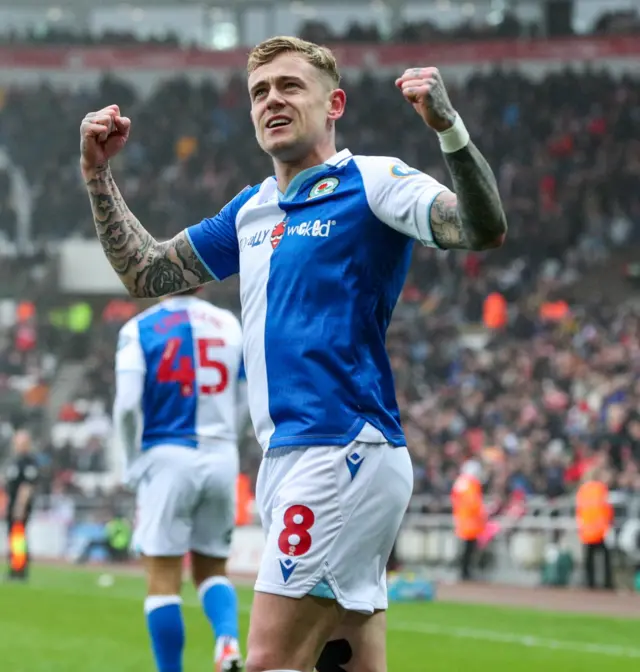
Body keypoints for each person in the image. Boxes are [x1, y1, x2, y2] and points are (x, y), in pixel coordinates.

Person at [80, 36, 507, 672]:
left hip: (341, 450)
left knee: (270, 661)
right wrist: (96, 175)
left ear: (334, 103)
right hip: (296, 456)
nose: (271, 100)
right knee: (347, 659)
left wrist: (448, 130)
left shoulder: (374, 180)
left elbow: (481, 227)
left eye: (288, 86)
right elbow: (145, 273)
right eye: (259, 92)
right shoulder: (251, 209)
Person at [112, 289, 248, 672]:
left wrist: (131, 459)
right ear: (201, 282)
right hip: (222, 455)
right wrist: (226, 439)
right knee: (212, 569)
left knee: (162, 578)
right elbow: (245, 396)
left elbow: (126, 406)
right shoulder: (228, 324)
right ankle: (227, 641)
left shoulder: (139, 329)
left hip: (167, 455)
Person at [4, 428, 39, 581]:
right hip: (11, 504)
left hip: (19, 506)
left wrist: (20, 506)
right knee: (14, 537)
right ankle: (15, 566)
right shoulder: (14, 460)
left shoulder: (28, 462)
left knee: (18, 537)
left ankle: (19, 568)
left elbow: (26, 487)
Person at [576, 474, 614, 590]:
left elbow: (579, 510)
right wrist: (609, 524)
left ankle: (590, 584)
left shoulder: (582, 490)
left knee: (589, 560)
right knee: (605, 559)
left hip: (587, 531)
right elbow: (607, 508)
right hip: (601, 530)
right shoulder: (601, 489)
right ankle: (607, 584)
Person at [451, 460, 486, 581]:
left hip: (462, 519)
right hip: (470, 521)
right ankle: (465, 572)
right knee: (469, 548)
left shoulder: (460, 482)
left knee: (466, 548)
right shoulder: (471, 483)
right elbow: (474, 503)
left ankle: (464, 571)